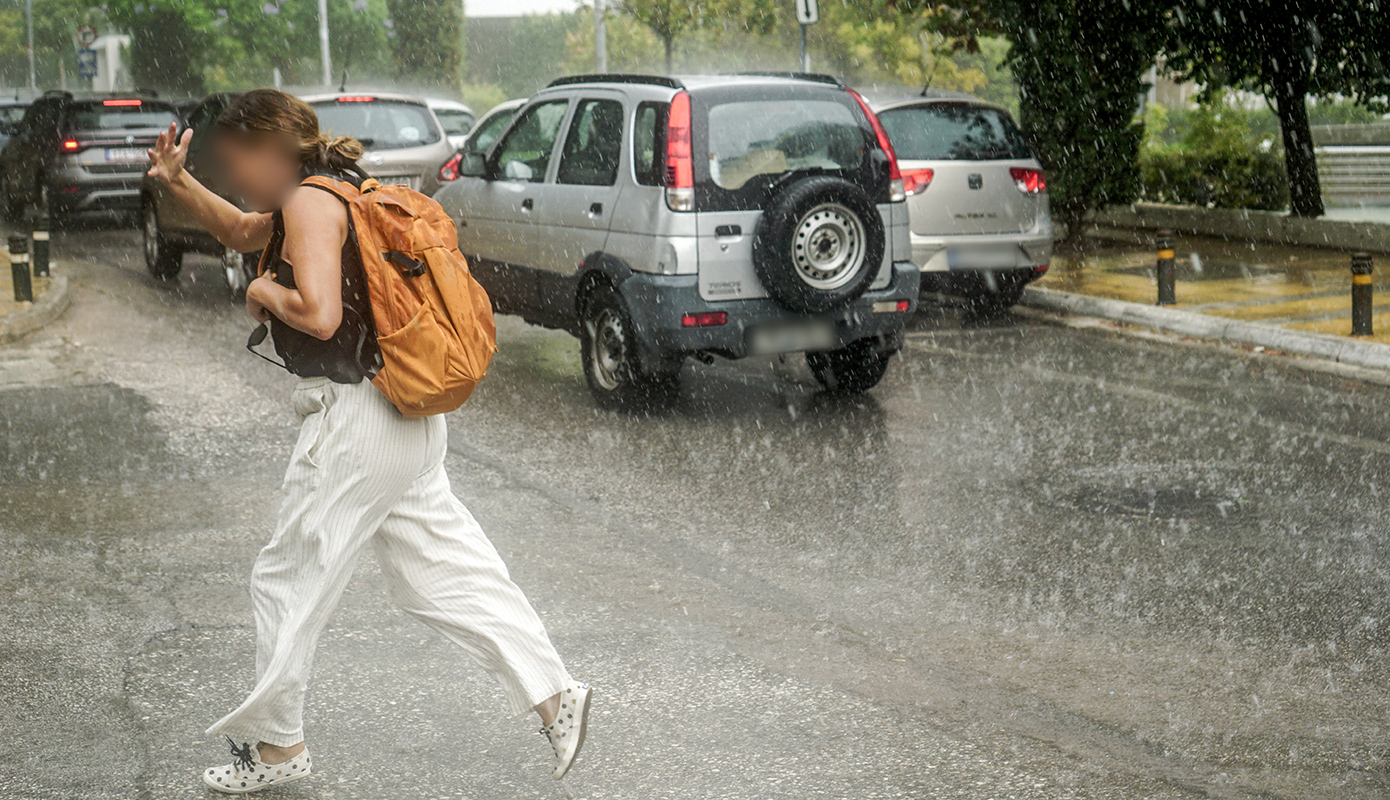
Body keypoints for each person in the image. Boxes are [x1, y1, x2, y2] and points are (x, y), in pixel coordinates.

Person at [146, 89, 590, 794]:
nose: (234, 178)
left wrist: (263, 296)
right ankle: (554, 694)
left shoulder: (307, 204)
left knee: (286, 578)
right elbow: (238, 229)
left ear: (271, 149)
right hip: (404, 416)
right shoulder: (339, 192)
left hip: (355, 419)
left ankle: (279, 750)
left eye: (235, 162)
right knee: (442, 569)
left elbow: (318, 317)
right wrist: (178, 181)